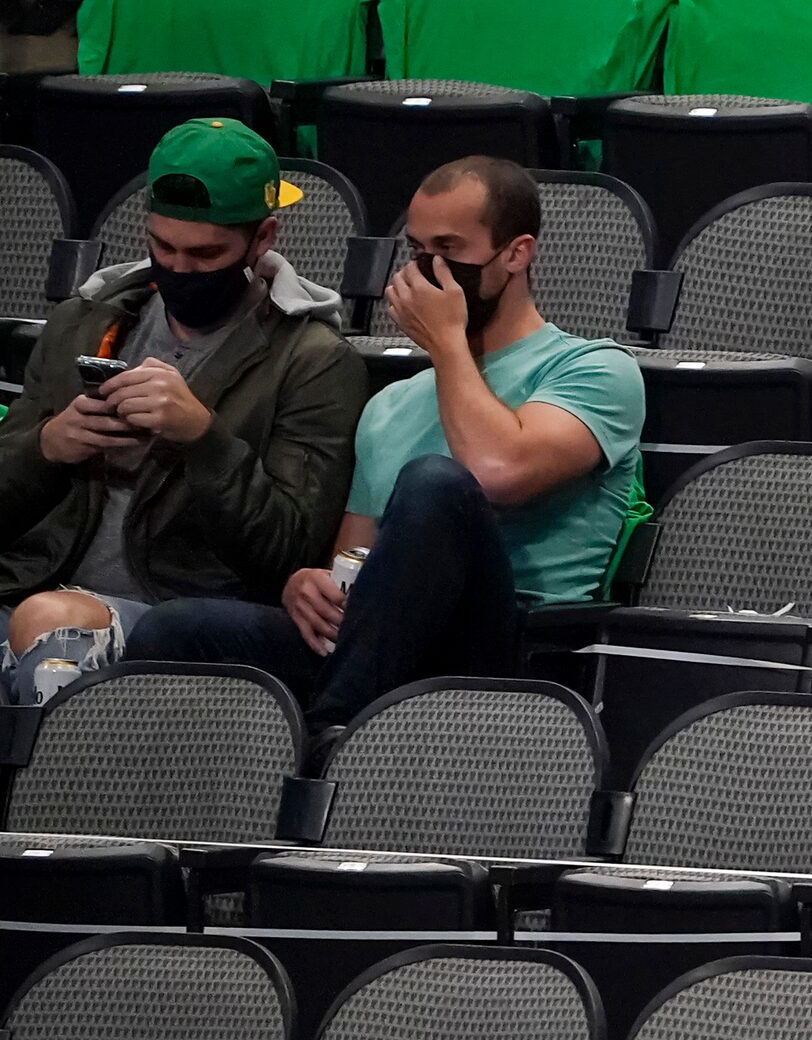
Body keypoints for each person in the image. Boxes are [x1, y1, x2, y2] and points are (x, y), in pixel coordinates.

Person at [130, 156, 646, 725]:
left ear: (517, 254)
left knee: (435, 482)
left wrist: (447, 342)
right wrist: (306, 586)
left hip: (505, 648)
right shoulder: (391, 405)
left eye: (449, 250)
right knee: (174, 628)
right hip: (379, 643)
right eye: (417, 250)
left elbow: (499, 471)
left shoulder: (595, 369)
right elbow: (354, 566)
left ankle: (333, 735)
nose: (427, 270)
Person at [0, 117, 362, 703]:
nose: (180, 268)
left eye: (205, 252)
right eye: (162, 246)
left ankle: (46, 794)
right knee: (41, 615)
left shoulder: (315, 362)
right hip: (32, 583)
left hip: (177, 610)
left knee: (51, 625)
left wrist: (205, 440)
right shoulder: (82, 323)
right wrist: (48, 446)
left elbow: (287, 552)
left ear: (264, 237)